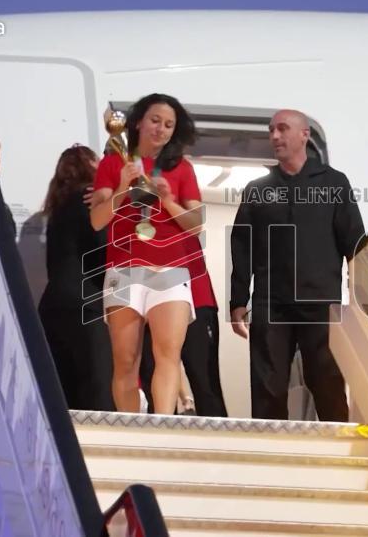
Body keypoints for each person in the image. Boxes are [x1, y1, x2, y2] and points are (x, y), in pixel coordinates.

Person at [229, 109, 365, 421]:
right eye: (271, 130)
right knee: (268, 386)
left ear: (304, 135)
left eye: (283, 129)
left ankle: (340, 452)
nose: (275, 136)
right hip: (270, 303)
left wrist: (360, 295)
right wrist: (238, 299)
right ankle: (266, 453)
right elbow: (242, 244)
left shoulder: (334, 183)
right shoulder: (258, 189)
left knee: (327, 381)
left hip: (320, 302)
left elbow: (354, 242)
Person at [89, 93, 204, 415]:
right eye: (155, 121)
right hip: (124, 270)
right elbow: (97, 220)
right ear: (139, 121)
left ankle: (163, 427)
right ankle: (131, 425)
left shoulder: (181, 168)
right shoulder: (113, 164)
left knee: (168, 354)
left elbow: (197, 224)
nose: (161, 129)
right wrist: (124, 188)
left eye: (169, 125)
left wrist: (168, 200)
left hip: (170, 270)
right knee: (125, 360)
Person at [37, 145, 115, 411]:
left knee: (64, 392)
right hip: (85, 305)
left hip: (52, 307)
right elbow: (101, 248)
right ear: (91, 165)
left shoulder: (57, 206)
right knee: (97, 390)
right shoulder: (89, 198)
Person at [139, 234, 229, 417]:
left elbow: (194, 220)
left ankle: (217, 444)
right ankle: (160, 441)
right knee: (154, 386)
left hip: (197, 297)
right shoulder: (132, 209)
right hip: (152, 302)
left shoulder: (176, 204)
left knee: (205, 383)